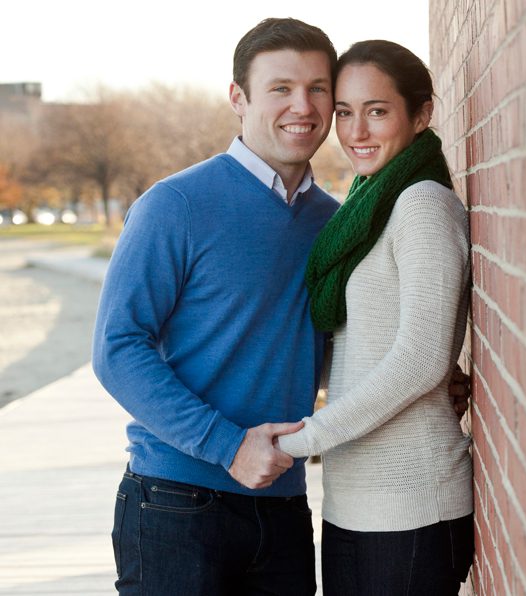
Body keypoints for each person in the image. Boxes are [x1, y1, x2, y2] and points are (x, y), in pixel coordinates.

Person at [92, 19, 468, 595]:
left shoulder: (336, 222)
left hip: (284, 505)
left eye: (319, 88)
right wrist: (228, 445)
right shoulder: (175, 205)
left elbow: (332, 339)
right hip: (177, 501)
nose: (304, 106)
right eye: (280, 88)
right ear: (238, 98)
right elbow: (117, 348)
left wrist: (437, 372)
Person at [276, 40, 473, 595]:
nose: (356, 131)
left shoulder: (421, 205)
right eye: (344, 112)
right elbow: (363, 345)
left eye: (377, 111)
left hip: (413, 502)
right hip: (354, 499)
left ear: (422, 114)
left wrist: (304, 438)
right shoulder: (369, 205)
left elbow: (420, 360)